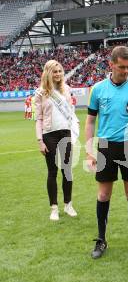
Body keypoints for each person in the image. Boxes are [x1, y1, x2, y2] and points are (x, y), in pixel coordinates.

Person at [85, 46, 128, 259]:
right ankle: (101, 240)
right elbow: (91, 120)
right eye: (122, 67)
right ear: (111, 64)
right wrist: (89, 150)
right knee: (103, 194)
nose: (126, 71)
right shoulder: (98, 89)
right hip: (105, 147)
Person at [34, 60, 78, 221]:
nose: (58, 74)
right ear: (48, 73)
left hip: (65, 133)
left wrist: (74, 132)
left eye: (60, 71)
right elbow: (38, 118)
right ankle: (54, 208)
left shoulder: (67, 90)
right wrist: (40, 140)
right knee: (52, 171)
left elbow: (71, 114)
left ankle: (68, 204)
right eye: (55, 71)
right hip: (49, 135)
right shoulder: (40, 93)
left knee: (67, 170)